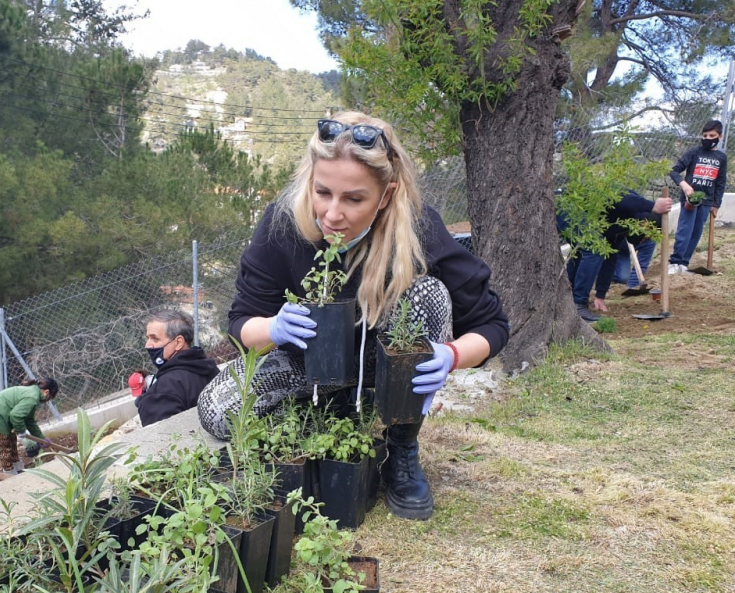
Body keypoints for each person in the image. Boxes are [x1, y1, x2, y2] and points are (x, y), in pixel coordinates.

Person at [197, 112, 509, 521]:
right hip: (305, 365)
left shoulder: (418, 229)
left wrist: (450, 355)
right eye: (322, 192)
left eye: (354, 199)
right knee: (217, 413)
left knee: (428, 292)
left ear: (386, 195)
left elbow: (492, 326)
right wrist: (274, 328)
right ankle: (328, 422)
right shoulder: (281, 224)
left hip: (384, 371)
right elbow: (240, 323)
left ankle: (400, 445)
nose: (331, 214)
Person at [564, 190, 673, 320]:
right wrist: (653, 205)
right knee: (593, 249)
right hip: (567, 206)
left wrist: (600, 295)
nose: (645, 239)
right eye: (647, 234)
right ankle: (579, 305)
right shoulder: (630, 207)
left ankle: (565, 299)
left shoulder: (619, 228)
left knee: (585, 251)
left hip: (583, 218)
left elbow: (610, 257)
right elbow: (623, 197)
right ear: (646, 224)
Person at [136, 309, 219, 427]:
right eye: (148, 338)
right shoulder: (211, 370)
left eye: (155, 339)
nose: (147, 345)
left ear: (179, 342)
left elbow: (160, 440)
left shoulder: (164, 390)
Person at [668, 119, 727, 274]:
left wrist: (716, 204)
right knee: (685, 230)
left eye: (711, 135)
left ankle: (684, 264)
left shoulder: (721, 157)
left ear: (719, 137)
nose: (707, 138)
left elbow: (720, 182)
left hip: (707, 200)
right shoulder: (694, 152)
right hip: (690, 199)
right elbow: (674, 171)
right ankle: (674, 262)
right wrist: (684, 185)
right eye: (705, 135)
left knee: (696, 232)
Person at [0, 377, 59, 474]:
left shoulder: (33, 393)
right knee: (5, 446)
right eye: (50, 398)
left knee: (12, 440)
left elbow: (29, 420)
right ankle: (9, 474)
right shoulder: (32, 397)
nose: (47, 400)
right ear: (46, 392)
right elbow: (16, 415)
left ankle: (18, 468)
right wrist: (21, 431)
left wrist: (41, 438)